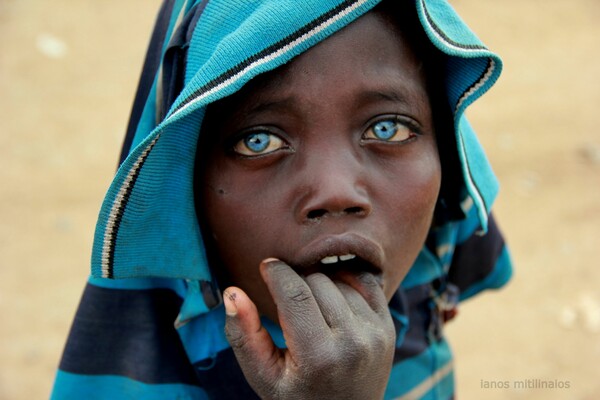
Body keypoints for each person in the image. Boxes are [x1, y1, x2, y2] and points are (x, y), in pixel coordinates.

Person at [51, 0, 512, 399]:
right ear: (183, 192)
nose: (335, 192)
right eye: (260, 142)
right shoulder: (140, 376)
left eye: (386, 128)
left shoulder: (434, 249)